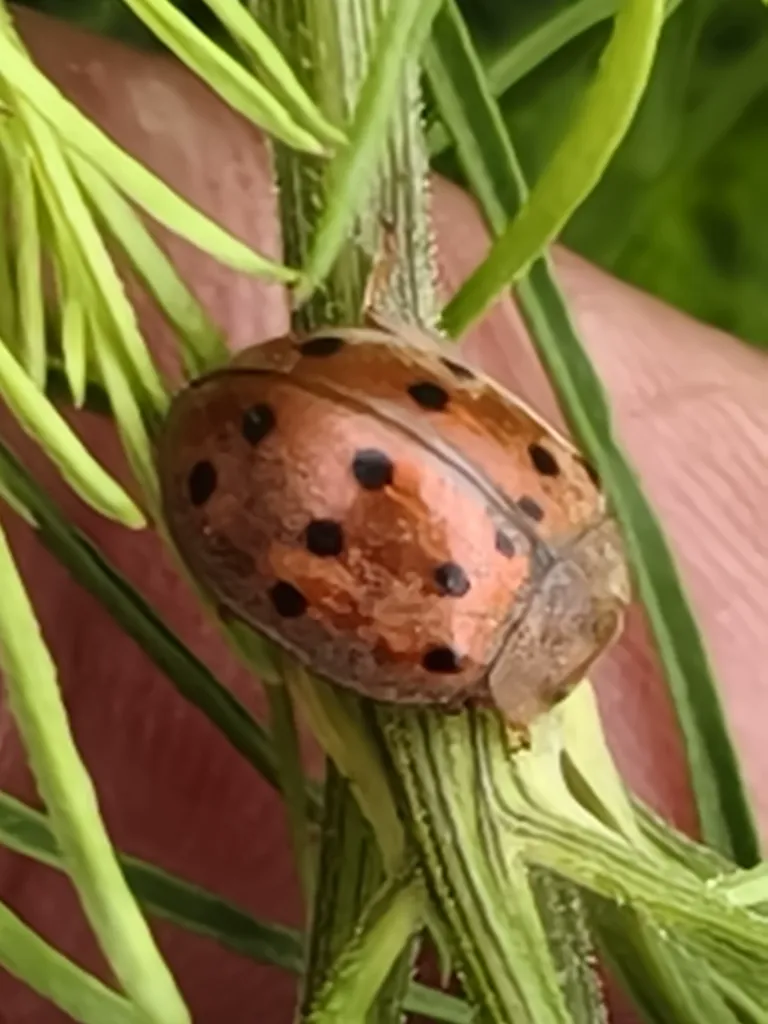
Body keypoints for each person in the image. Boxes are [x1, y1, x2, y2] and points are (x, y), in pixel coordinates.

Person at [1, 8, 766, 1023]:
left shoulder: (568, 501)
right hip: (259, 426)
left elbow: (452, 402)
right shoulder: (457, 645)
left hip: (293, 406)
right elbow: (330, 619)